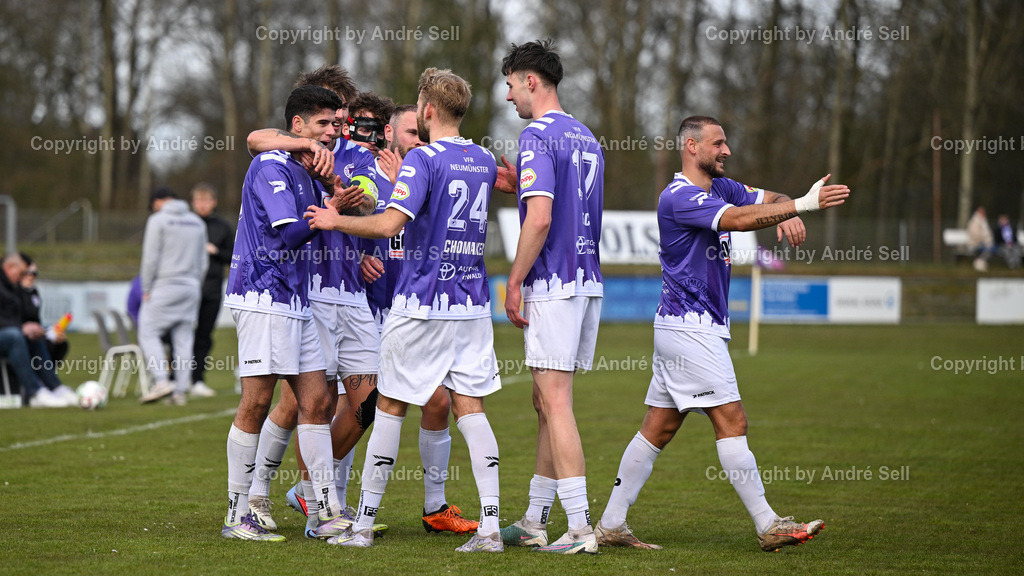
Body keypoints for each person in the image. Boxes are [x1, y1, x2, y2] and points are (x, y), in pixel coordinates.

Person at [595, 116, 847, 552]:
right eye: (719, 143)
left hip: (685, 327)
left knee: (658, 428)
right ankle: (769, 524)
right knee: (733, 421)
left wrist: (789, 206)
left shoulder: (722, 187)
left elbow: (771, 199)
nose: (727, 151)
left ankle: (611, 524)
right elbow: (742, 219)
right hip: (690, 329)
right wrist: (800, 207)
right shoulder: (678, 197)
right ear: (691, 146)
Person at [305, 67, 503, 552]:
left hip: (420, 303)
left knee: (389, 407)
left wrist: (336, 220)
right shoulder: (482, 159)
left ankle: (364, 524)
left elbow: (391, 223)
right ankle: (492, 528)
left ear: (428, 111)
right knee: (471, 411)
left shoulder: (422, 159)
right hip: (472, 305)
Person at [243, 67, 384, 539]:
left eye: (342, 115)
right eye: (330, 116)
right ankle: (278, 495)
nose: (339, 124)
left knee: (367, 401)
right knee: (303, 399)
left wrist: (346, 200)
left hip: (350, 292)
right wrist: (299, 146)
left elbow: (370, 205)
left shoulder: (356, 156)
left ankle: (310, 492)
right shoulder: (291, 151)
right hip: (311, 291)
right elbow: (255, 139)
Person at [221, 84, 362, 542]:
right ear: (298, 126)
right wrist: (332, 209)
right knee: (257, 402)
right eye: (322, 124)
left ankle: (323, 512)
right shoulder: (271, 165)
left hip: (296, 299)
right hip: (264, 296)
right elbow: (285, 236)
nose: (331, 133)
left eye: (335, 124)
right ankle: (237, 512)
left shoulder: (308, 169)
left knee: (318, 401)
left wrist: (335, 198)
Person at [494, 40, 604, 555]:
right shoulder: (586, 136)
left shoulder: (535, 135)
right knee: (545, 399)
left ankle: (581, 527)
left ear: (531, 81)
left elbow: (539, 218)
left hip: (554, 282)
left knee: (555, 401)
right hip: (586, 281)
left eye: (511, 84)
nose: (509, 95)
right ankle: (536, 519)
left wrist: (514, 279)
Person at [358, 102, 478, 534]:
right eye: (410, 133)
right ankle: (321, 499)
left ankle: (434, 507)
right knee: (352, 411)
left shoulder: (430, 168)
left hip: (415, 309)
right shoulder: (365, 172)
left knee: (438, 401)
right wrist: (355, 259)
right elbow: (347, 223)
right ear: (389, 134)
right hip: (369, 309)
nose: (418, 140)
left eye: (421, 132)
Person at [136, 187, 208, 406]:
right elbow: (203, 262)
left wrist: (146, 287)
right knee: (184, 339)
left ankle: (161, 381)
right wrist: (196, 284)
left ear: (159, 202)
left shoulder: (158, 220)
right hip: (191, 286)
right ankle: (180, 392)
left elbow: (150, 257)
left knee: (147, 331)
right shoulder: (197, 222)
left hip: (165, 284)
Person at [1, 252, 76, 407]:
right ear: (9, 267)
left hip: (8, 332)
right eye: (22, 273)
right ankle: (35, 392)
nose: (23, 277)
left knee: (34, 336)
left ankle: (55, 387)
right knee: (15, 336)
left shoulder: (12, 288)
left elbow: (17, 316)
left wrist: (31, 328)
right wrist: (21, 327)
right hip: (7, 335)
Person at [189, 183, 234, 397]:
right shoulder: (186, 225)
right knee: (180, 334)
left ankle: (198, 379)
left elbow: (233, 256)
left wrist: (215, 251)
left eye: (206, 200)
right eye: (198, 200)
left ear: (213, 202)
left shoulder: (222, 227)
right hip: (187, 290)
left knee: (204, 336)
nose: (202, 205)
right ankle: (174, 377)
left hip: (212, 289)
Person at [18, 253, 70, 365]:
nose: (31, 276)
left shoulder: (33, 293)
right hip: (19, 332)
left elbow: (36, 321)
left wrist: (51, 332)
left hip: (34, 332)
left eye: (34, 274)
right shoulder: (12, 293)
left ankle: (48, 377)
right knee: (40, 343)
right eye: (28, 273)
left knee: (61, 343)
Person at [967, 206, 995, 272]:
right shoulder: (974, 221)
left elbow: (987, 233)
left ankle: (980, 262)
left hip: (985, 242)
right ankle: (979, 263)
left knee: (992, 248)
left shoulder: (984, 221)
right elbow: (974, 234)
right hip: (975, 243)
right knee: (988, 249)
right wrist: (983, 239)